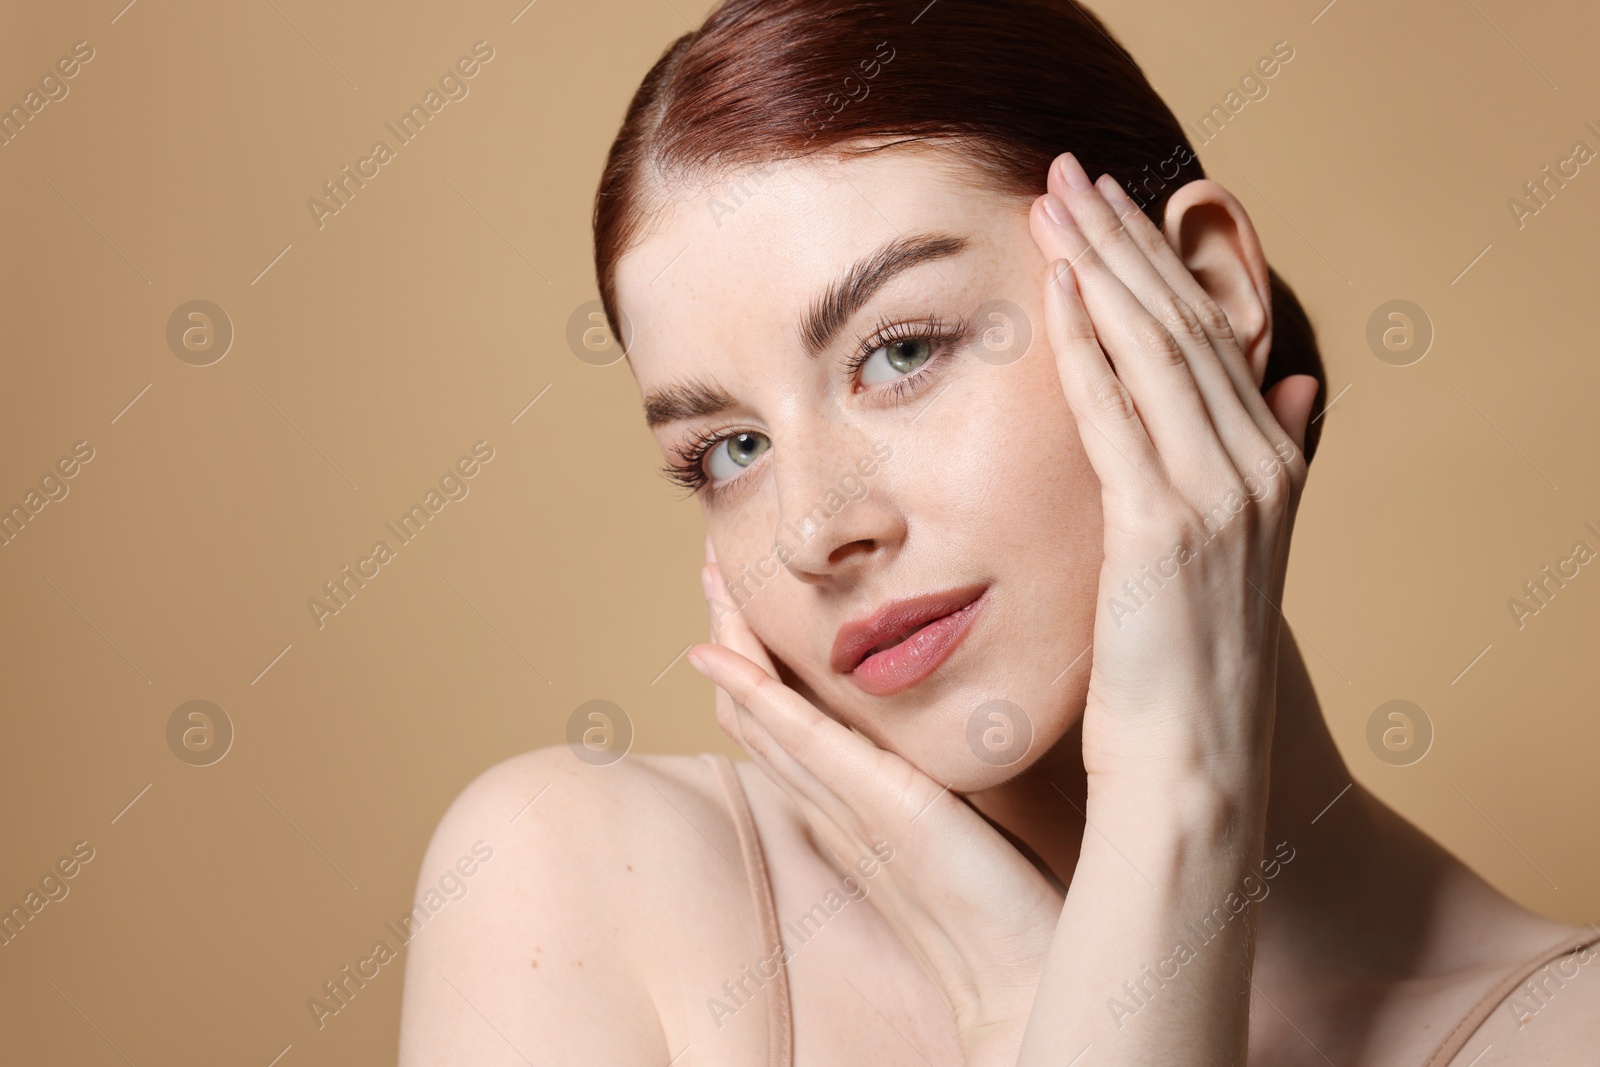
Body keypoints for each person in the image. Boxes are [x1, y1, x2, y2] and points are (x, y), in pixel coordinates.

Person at [397, 1, 1600, 1063]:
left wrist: (1167, 811)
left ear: (1206, 292)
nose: (814, 528)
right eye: (730, 449)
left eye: (900, 351)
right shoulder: (584, 889)